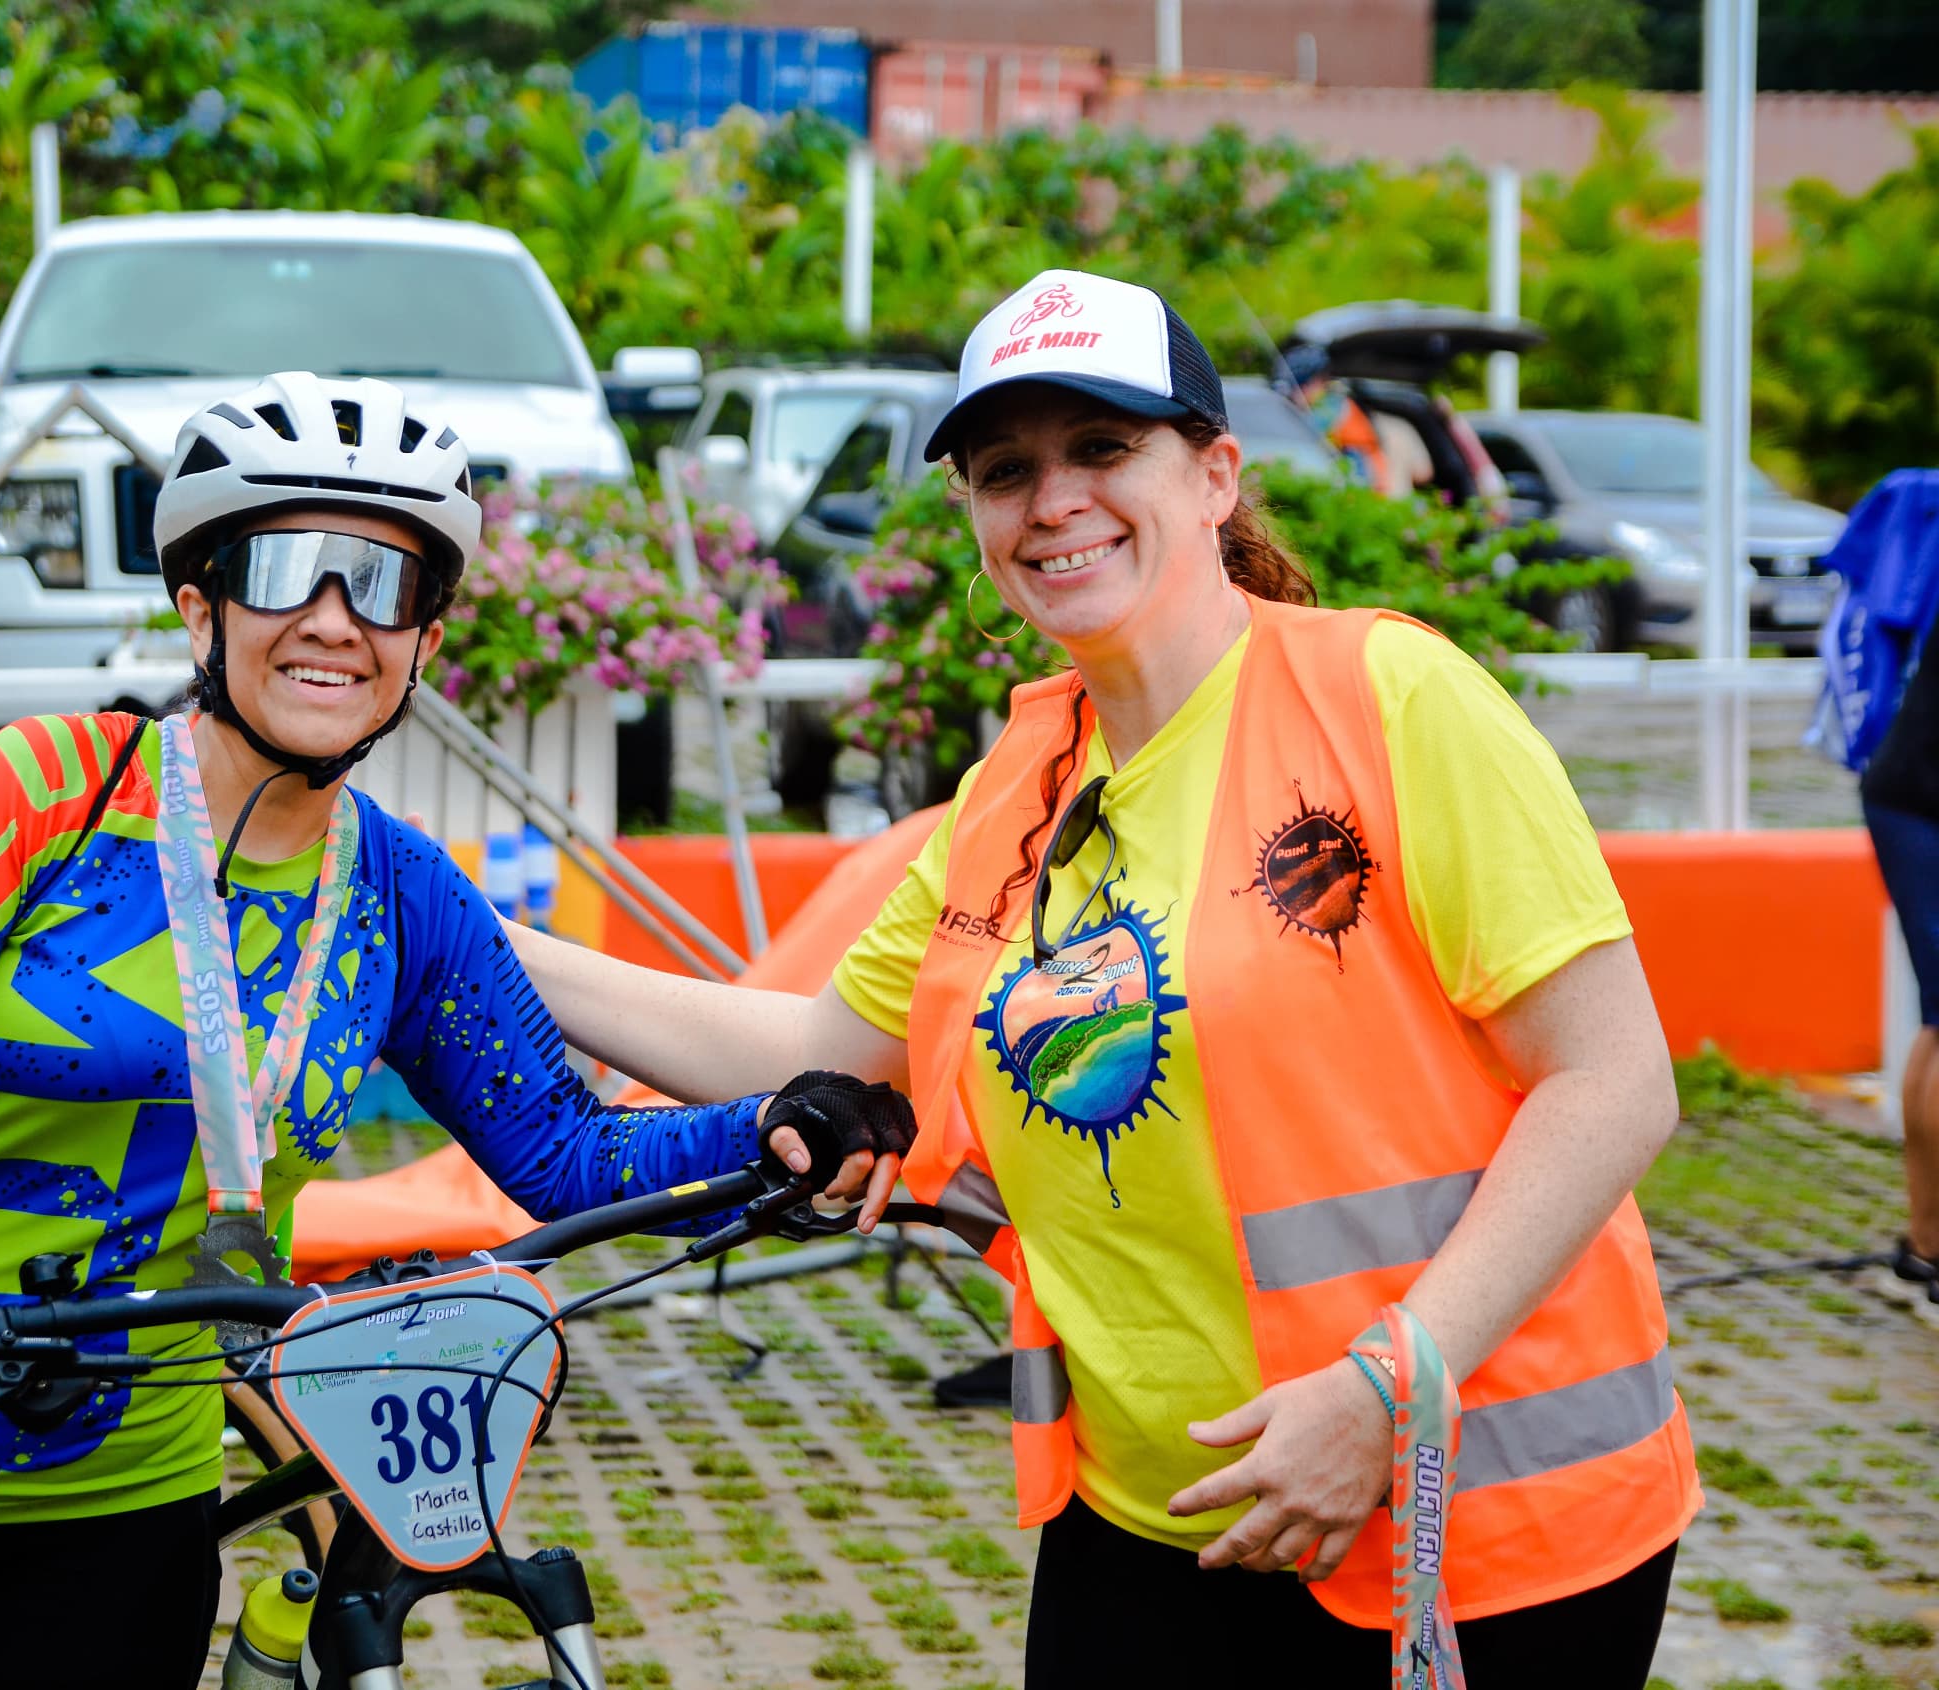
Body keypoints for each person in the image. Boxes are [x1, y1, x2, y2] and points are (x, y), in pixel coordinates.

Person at [508, 271, 1697, 1681]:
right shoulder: (1021, 778)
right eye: (1006, 470)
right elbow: (827, 1036)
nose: (1053, 498)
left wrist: (1388, 1386)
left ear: (1214, 475)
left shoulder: (1392, 699)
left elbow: (1615, 1080)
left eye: (1103, 447)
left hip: (1466, 1516)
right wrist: (473, 940)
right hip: (1145, 1517)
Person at [0, 372, 902, 1689]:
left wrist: (772, 1129)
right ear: (202, 605)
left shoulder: (402, 895)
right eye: (289, 567)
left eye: (384, 582)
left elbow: (565, 1150)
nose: (334, 619)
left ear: (422, 640)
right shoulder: (49, 786)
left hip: (118, 1488)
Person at [1868, 620, 1939, 1299]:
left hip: (1910, 796)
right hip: (1921, 804)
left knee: (1937, 1018)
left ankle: (1927, 1245)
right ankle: (1928, 1242)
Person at [1278, 340, 1393, 495]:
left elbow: (1312, 437)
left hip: (1364, 481)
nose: (1297, 393)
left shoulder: (1332, 407)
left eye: (1303, 385)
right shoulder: (1317, 405)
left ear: (1319, 381)